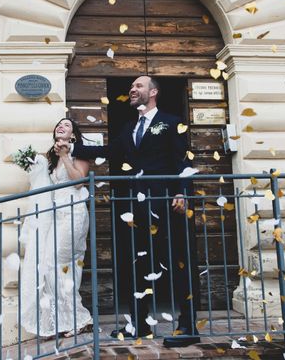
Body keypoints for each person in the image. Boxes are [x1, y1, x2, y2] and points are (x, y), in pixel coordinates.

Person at [59, 76, 200, 348]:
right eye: (132, 87)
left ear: (154, 92)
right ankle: (139, 324)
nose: (132, 90)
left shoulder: (171, 122)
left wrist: (182, 191)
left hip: (168, 203)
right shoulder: (130, 127)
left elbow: (184, 159)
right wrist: (72, 148)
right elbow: (108, 151)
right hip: (138, 208)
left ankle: (187, 325)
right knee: (139, 264)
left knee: (178, 262)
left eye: (138, 86)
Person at [20, 118, 93, 339]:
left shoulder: (78, 153)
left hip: (73, 214)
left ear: (73, 135)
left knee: (57, 265)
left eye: (67, 125)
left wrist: (65, 155)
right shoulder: (51, 158)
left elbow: (78, 182)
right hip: (56, 215)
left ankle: (81, 318)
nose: (61, 126)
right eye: (59, 124)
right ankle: (62, 320)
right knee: (53, 267)